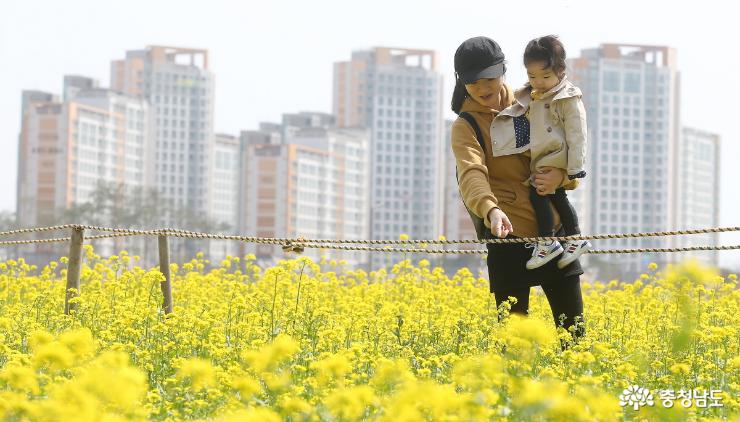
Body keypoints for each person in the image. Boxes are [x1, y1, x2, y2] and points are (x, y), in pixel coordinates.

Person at [450, 36, 585, 345]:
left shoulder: (535, 102)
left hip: (554, 229)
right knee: (514, 346)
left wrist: (563, 176)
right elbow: (471, 173)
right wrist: (490, 209)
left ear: (504, 71)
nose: (483, 88)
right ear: (461, 82)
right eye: (472, 83)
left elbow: (565, 145)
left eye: (490, 78)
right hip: (506, 233)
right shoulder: (465, 126)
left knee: (575, 339)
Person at [491, 35, 591, 271]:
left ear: (561, 71)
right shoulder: (531, 95)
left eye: (545, 76)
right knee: (556, 197)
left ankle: (548, 241)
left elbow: (578, 135)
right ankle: (573, 239)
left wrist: (574, 168)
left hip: (555, 157)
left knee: (539, 194)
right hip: (542, 158)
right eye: (532, 76)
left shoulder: (568, 98)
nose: (539, 82)